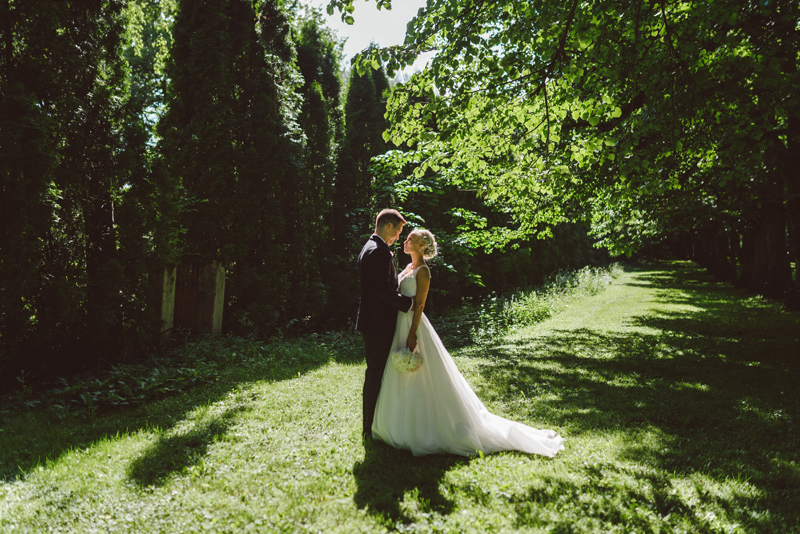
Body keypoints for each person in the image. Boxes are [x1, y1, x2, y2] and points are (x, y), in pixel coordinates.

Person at [372, 229, 565, 458]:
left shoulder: (423, 271)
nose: (405, 241)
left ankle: (425, 429)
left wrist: (412, 333)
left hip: (413, 324)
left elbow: (420, 305)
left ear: (421, 245)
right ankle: (398, 424)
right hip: (399, 324)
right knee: (401, 376)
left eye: (410, 239)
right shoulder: (408, 267)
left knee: (420, 376)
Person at [356, 209, 414, 439]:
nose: (398, 237)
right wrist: (409, 304)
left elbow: (383, 285)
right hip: (377, 324)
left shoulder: (370, 247)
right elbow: (382, 291)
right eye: (398, 231)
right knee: (376, 374)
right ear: (388, 226)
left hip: (373, 322)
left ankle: (375, 424)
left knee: (377, 373)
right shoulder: (378, 251)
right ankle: (369, 428)